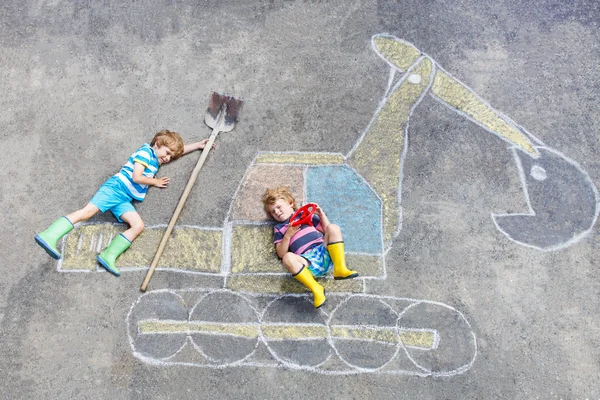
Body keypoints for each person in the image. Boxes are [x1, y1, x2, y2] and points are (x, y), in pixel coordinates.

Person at [35, 129, 213, 277]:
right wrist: (155, 182)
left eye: (171, 156)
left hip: (124, 198)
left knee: (138, 225)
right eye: (167, 153)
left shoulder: (156, 157)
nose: (168, 158)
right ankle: (50, 234)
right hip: (115, 188)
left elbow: (177, 152)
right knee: (87, 212)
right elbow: (137, 177)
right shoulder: (145, 152)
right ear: (157, 143)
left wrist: (198, 145)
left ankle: (108, 255)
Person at [262, 186, 358, 308]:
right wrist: (288, 235)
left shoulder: (304, 216)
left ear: (291, 203)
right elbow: (281, 253)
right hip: (308, 262)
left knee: (333, 228)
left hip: (324, 251)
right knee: (287, 257)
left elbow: (326, 230)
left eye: (279, 207)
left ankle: (340, 269)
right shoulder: (280, 229)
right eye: (273, 212)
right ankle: (316, 288)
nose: (277, 212)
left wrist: (321, 215)